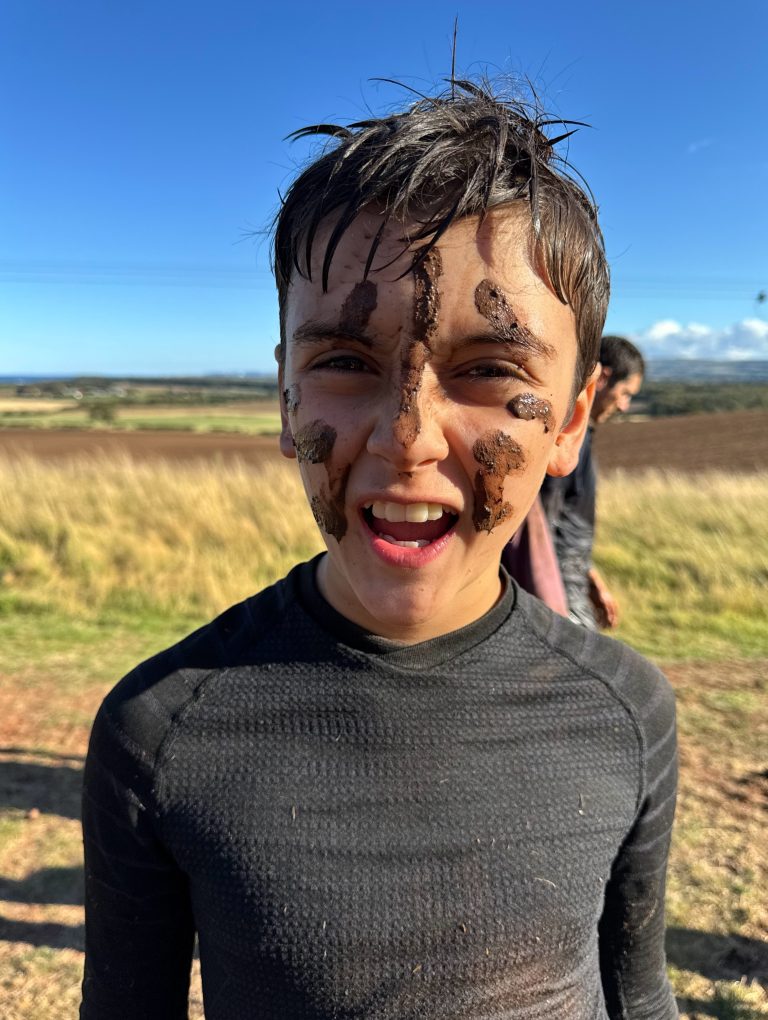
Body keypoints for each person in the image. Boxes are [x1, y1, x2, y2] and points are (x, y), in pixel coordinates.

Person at [80, 77, 677, 1019]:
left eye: (488, 369)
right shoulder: (160, 731)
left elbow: (639, 998)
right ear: (285, 397)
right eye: (346, 363)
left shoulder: (628, 713)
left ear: (570, 420)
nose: (408, 438)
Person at [540, 335, 645, 630]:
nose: (624, 406)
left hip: (566, 588)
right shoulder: (566, 442)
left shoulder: (581, 437)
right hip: (554, 599)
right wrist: (549, 604)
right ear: (603, 378)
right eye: (625, 393)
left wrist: (590, 577)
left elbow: (565, 522)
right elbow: (541, 526)